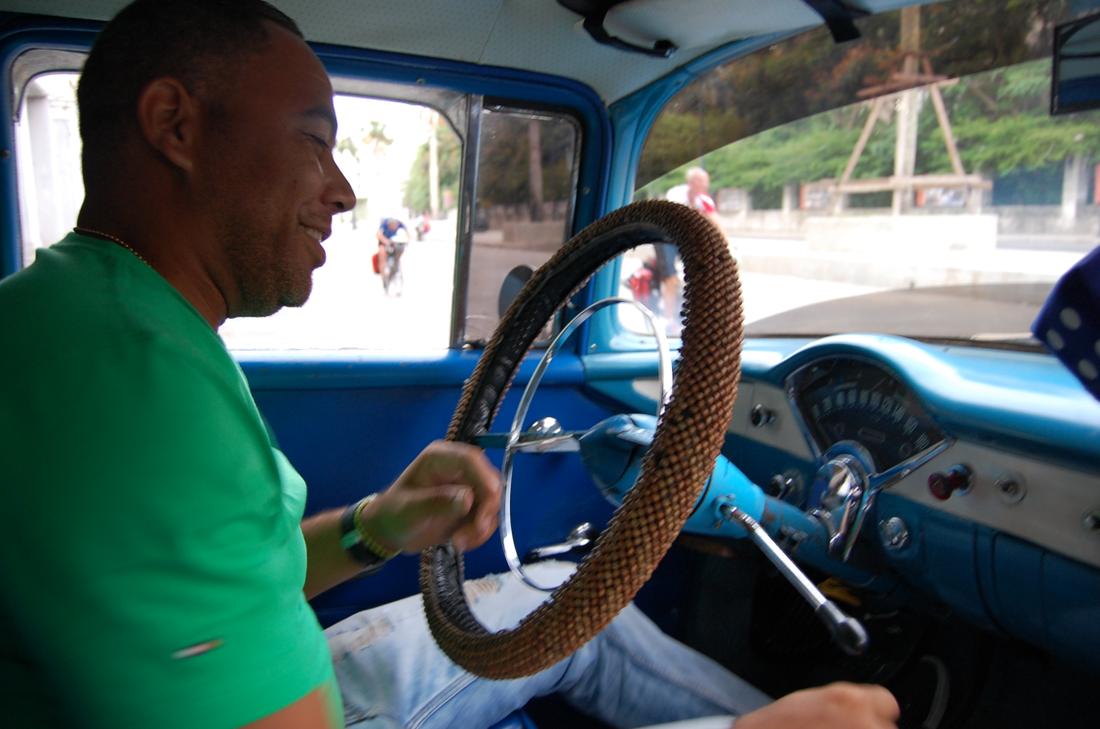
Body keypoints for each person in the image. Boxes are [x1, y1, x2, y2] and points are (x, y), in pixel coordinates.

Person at [0, 2, 899, 728]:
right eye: (315, 139)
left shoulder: (91, 314)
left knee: (576, 619)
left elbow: (244, 569)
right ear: (174, 126)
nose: (344, 190)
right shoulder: (139, 399)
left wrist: (379, 526)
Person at [659, 167, 721, 333]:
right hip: (665, 237)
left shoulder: (705, 200)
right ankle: (668, 319)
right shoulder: (676, 194)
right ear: (691, 182)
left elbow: (716, 223)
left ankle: (692, 315)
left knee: (698, 273)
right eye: (701, 181)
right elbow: (680, 216)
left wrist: (726, 245)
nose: (705, 185)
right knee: (670, 279)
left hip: (685, 238)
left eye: (706, 181)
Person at [376, 217, 409, 295]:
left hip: (395, 243)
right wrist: (386, 241)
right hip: (384, 242)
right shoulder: (384, 223)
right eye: (392, 226)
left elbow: (408, 233)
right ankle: (383, 277)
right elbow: (378, 235)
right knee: (382, 255)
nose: (394, 227)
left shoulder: (400, 223)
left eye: (395, 226)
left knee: (399, 252)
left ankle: (396, 269)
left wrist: (408, 240)